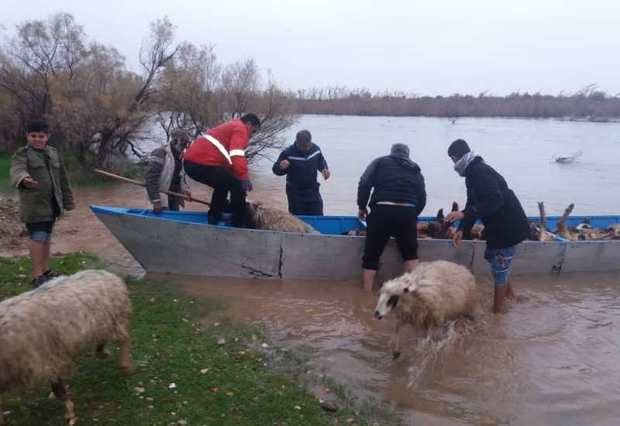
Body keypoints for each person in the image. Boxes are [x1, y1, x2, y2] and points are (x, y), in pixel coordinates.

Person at [445, 139, 529, 314]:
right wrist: (462, 228)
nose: (453, 165)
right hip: (500, 224)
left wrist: (463, 214)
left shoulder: (479, 171)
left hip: (508, 224)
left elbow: (495, 199)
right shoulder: (472, 173)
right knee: (499, 261)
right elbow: (471, 203)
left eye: (452, 160)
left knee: (500, 264)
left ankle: (498, 313)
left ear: (456, 158)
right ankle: (510, 296)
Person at [10, 119, 75, 287]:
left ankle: (45, 270)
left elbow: (63, 178)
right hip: (34, 205)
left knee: (46, 237)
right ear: (27, 136)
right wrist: (24, 178)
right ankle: (36, 274)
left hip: (52, 204)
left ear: (47, 137)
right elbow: (17, 170)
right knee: (38, 237)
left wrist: (68, 200)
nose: (37, 139)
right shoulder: (22, 153)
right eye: (33, 136)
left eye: (41, 136)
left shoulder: (53, 152)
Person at [357, 143, 426, 292]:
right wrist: (413, 215)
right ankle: (411, 294)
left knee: (371, 255)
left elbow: (364, 183)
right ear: (407, 155)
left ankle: (366, 295)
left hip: (382, 210)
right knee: (410, 255)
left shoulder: (380, 162)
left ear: (392, 153)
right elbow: (422, 197)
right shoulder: (415, 169)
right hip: (407, 212)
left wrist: (362, 206)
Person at [183, 114, 261, 226]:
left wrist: (240, 175)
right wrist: (243, 177)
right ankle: (238, 222)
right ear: (248, 124)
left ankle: (215, 216)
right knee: (237, 185)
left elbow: (229, 161)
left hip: (192, 164)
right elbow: (237, 153)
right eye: (253, 131)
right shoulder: (241, 128)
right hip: (200, 163)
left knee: (223, 183)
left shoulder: (233, 126)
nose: (252, 136)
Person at [272, 129, 330, 215]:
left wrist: (324, 169)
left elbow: (321, 161)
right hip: (295, 193)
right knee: (298, 220)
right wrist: (281, 167)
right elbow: (275, 170)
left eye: (307, 146)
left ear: (310, 142)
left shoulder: (316, 149)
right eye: (302, 146)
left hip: (313, 191)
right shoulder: (288, 153)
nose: (305, 149)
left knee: (318, 216)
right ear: (297, 142)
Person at [144, 129, 191, 212]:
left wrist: (185, 191)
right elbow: (150, 178)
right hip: (161, 196)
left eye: (186, 143)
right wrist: (156, 200)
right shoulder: (160, 153)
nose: (185, 146)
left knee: (174, 221)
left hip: (174, 196)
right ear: (175, 140)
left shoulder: (181, 156)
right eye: (183, 143)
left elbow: (180, 176)